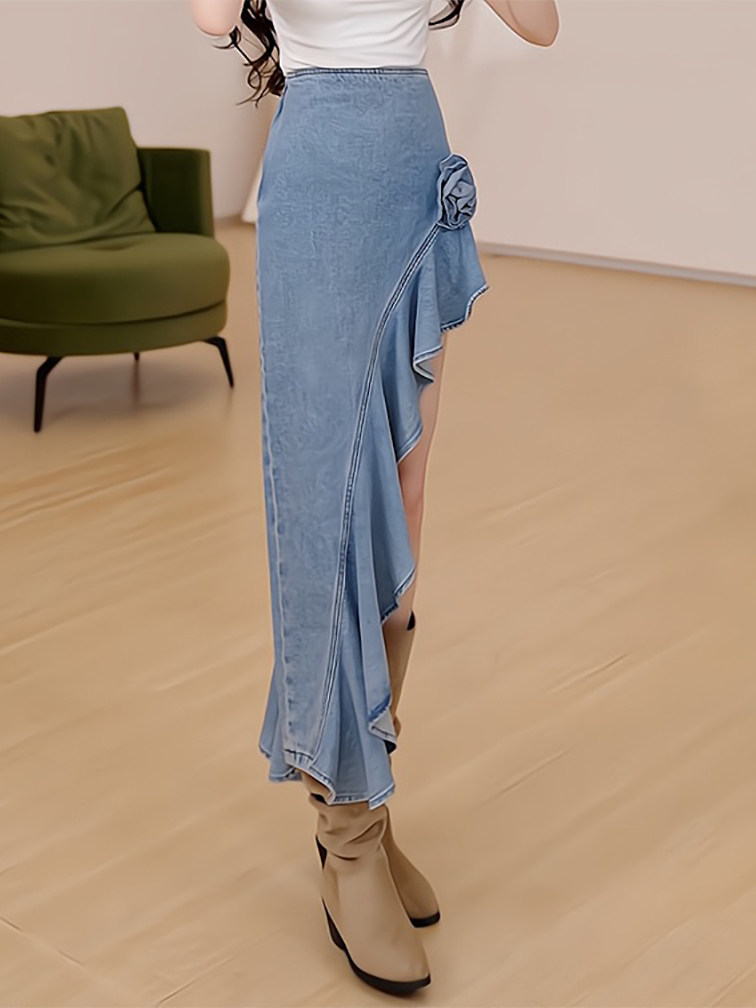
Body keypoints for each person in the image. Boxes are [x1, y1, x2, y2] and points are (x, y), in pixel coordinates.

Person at [191, 0, 559, 995]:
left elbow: (541, 25)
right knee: (326, 504)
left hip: (410, 168)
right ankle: (344, 834)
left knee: (404, 496)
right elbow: (212, 17)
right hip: (319, 171)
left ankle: (365, 800)